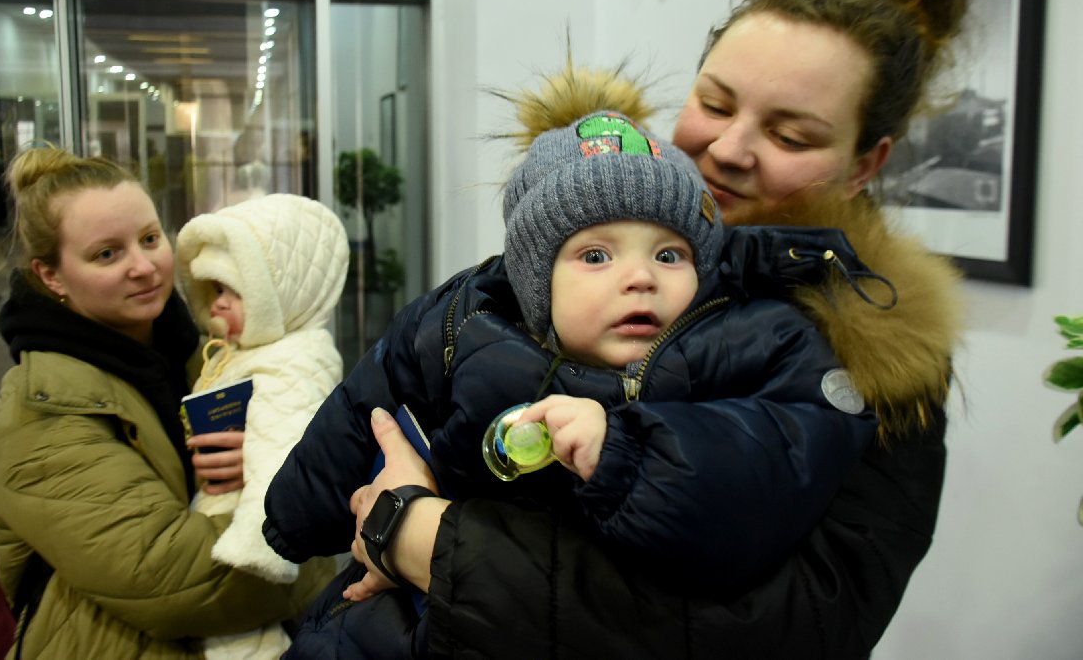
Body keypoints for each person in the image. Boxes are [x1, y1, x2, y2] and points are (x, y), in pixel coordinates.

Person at [322, 0, 969, 659]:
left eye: (791, 136)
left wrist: (419, 536)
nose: (728, 148)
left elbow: (787, 631)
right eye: (715, 103)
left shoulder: (877, 356)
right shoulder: (593, 222)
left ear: (866, 163)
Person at [266, 101, 900, 655]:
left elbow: (763, 467)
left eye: (670, 254)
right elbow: (369, 399)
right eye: (596, 255)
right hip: (401, 612)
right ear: (536, 280)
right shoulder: (470, 314)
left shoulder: (740, 348)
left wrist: (625, 454)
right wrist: (292, 519)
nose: (640, 277)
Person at [0, 147, 334, 660]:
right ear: (51, 275)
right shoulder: (41, 412)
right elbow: (179, 583)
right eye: (107, 254)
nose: (144, 266)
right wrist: (316, 517)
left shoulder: (199, 356)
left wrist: (267, 459)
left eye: (150, 239)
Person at [175, 193, 350, 660]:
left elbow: (282, 444)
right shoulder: (243, 350)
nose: (217, 305)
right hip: (222, 508)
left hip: (251, 536)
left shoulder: (295, 360)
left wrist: (257, 542)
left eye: (233, 293)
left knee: (243, 641)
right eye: (214, 291)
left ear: (277, 292)